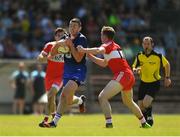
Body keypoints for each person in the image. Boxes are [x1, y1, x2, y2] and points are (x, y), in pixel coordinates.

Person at [77, 26, 151, 128]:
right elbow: (104, 63)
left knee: (102, 97)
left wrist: (84, 50)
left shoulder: (107, 45)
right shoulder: (114, 46)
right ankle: (144, 123)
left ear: (105, 36)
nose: (101, 36)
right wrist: (89, 55)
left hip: (123, 74)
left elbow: (99, 50)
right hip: (128, 75)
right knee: (128, 102)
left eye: (101, 34)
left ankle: (109, 123)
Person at [44, 18, 87, 128]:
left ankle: (54, 122)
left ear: (80, 28)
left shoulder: (82, 39)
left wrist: (70, 45)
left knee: (64, 93)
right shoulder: (64, 38)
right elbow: (51, 54)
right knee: (68, 100)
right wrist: (59, 45)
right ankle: (80, 101)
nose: (72, 28)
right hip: (67, 72)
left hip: (78, 71)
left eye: (75, 26)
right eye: (71, 26)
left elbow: (78, 59)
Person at [132, 36, 171, 126]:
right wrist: (136, 69)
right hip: (143, 82)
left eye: (148, 44)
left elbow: (167, 64)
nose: (146, 45)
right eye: (144, 44)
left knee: (146, 103)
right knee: (140, 106)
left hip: (154, 83)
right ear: (142, 44)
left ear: (152, 45)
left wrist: (167, 77)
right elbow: (134, 66)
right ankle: (145, 122)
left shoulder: (158, 55)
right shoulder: (139, 55)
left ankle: (149, 118)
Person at [37, 27, 66, 126]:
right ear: (55, 36)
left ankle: (45, 119)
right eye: (58, 35)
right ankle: (54, 119)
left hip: (60, 77)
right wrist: (47, 58)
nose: (60, 37)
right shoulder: (49, 45)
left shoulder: (68, 47)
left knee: (50, 95)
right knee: (51, 98)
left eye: (62, 35)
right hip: (49, 76)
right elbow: (40, 58)